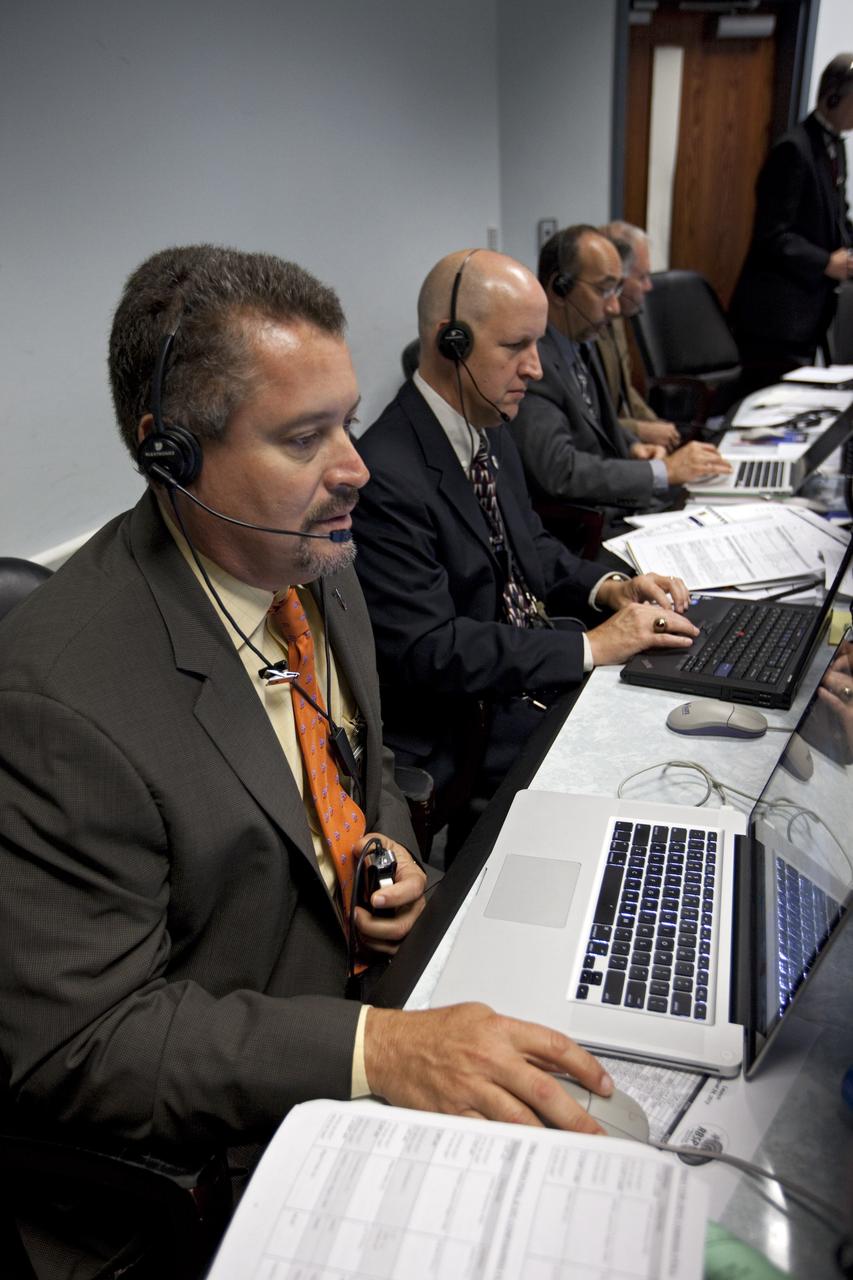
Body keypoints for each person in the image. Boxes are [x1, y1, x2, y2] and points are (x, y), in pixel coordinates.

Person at [0, 245, 620, 1271]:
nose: (357, 467)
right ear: (172, 457)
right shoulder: (55, 703)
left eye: (347, 416)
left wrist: (391, 841)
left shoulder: (313, 558)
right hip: (216, 1149)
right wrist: (377, 1051)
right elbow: (85, 1045)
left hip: (366, 1000)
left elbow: (364, 764)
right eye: (304, 436)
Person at [352, 247, 699, 826]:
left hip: (522, 675)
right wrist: (591, 647)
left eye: (537, 345)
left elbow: (531, 547)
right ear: (451, 343)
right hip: (468, 723)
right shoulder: (386, 473)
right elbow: (430, 650)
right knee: (646, 788)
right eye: (516, 347)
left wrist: (611, 588)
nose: (536, 368)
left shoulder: (485, 422)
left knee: (673, 732)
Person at [509, 225, 729, 534]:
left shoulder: (584, 339)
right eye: (603, 290)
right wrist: (662, 471)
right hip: (588, 527)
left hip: (623, 503)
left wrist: (633, 446)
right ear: (559, 288)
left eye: (616, 290)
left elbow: (597, 422)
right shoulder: (534, 364)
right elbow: (560, 471)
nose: (614, 306)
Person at [729, 53, 853, 391]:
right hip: (775, 318)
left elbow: (836, 216)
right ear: (834, 96)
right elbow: (773, 235)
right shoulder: (793, 149)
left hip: (810, 311)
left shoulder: (836, 148)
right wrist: (826, 262)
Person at [596, 221, 680, 452]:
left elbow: (624, 392)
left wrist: (658, 426)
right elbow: (587, 420)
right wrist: (640, 430)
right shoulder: (583, 332)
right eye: (642, 277)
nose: (649, 286)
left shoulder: (618, 318)